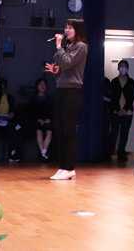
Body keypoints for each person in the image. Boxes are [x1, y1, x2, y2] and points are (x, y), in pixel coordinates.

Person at [45, 18, 88, 180]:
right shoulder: (69, 46)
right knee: (60, 130)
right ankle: (62, 167)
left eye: (70, 28)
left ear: (78, 30)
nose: (66, 30)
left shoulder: (81, 46)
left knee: (69, 130)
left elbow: (67, 63)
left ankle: (70, 168)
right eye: (66, 27)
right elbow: (64, 69)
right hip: (62, 90)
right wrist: (56, 73)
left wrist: (58, 46)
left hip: (72, 92)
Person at [106, 60, 134, 161]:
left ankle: (121, 152)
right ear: (118, 68)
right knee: (114, 132)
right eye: (121, 66)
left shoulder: (131, 82)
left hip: (128, 112)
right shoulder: (114, 81)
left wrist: (125, 109)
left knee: (124, 132)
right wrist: (118, 109)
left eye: (125, 66)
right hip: (115, 111)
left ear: (127, 68)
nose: (123, 68)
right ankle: (109, 152)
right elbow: (113, 97)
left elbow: (131, 97)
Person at [26, 77, 54, 161]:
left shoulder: (50, 100)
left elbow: (52, 112)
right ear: (37, 86)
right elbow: (30, 113)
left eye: (44, 85)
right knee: (39, 131)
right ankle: (43, 153)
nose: (42, 86)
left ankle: (43, 152)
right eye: (40, 85)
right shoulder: (32, 99)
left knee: (49, 131)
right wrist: (38, 120)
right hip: (36, 122)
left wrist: (48, 119)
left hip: (47, 121)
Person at [0, 77, 20, 163]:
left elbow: (13, 110)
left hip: (6, 122)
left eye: (3, 88)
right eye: (0, 89)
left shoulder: (10, 98)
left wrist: (11, 114)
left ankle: (12, 153)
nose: (2, 90)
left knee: (14, 130)